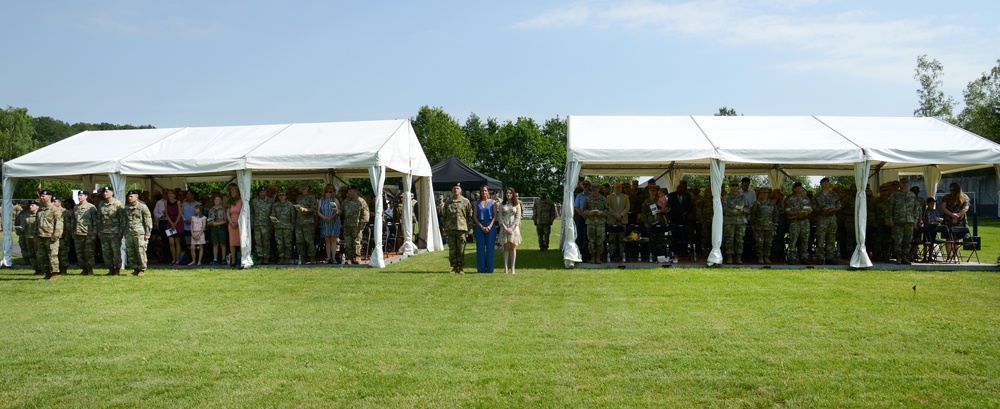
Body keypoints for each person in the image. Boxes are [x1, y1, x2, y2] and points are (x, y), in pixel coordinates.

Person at [438, 183, 474, 273]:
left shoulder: (466, 201)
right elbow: (444, 216)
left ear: (460, 190)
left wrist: (468, 229)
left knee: (461, 249)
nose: (456, 190)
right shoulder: (447, 202)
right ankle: (454, 267)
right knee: (452, 249)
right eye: (454, 188)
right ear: (452, 190)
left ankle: (461, 267)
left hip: (462, 229)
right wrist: (445, 229)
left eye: (457, 188)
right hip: (450, 229)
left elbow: (469, 216)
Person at [888, 179, 921, 265]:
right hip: (898, 221)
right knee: (898, 240)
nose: (904, 184)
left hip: (909, 221)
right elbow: (889, 208)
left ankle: (904, 257)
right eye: (902, 183)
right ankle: (898, 257)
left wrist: (915, 220)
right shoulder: (895, 195)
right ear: (900, 184)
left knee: (907, 240)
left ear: (908, 184)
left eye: (906, 183)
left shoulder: (912, 195)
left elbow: (916, 209)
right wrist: (890, 220)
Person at [34, 190, 63, 280]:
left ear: (49, 197)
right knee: (42, 256)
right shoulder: (40, 209)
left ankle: (54, 274)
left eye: (43, 196)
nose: (41, 198)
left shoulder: (55, 209)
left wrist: (56, 235)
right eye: (41, 196)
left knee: (52, 256)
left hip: (50, 237)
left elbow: (59, 223)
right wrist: (35, 234)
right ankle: (46, 273)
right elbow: (37, 223)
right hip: (40, 236)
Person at [96, 186, 125, 275]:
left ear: (112, 193)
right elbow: (99, 219)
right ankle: (110, 269)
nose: (105, 193)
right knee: (106, 252)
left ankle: (117, 269)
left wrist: (121, 232)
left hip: (115, 232)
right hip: (104, 232)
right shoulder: (101, 204)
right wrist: (99, 231)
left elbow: (123, 219)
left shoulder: (118, 204)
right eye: (104, 192)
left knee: (116, 252)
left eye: (107, 192)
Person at [123, 190, 153, 275]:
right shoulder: (127, 208)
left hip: (140, 233)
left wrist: (148, 233)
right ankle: (135, 269)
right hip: (129, 233)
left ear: (137, 197)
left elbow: (148, 220)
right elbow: (125, 221)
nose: (129, 198)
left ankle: (142, 269)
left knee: (140, 251)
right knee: (131, 252)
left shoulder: (142, 207)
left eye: (131, 196)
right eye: (128, 196)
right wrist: (124, 232)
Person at [814, 177, 841, 265]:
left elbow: (839, 206)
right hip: (822, 218)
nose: (826, 184)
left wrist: (834, 209)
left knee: (831, 238)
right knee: (820, 238)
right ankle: (820, 257)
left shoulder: (834, 195)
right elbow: (814, 207)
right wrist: (821, 210)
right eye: (824, 182)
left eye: (827, 182)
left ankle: (830, 257)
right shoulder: (817, 196)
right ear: (821, 184)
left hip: (832, 218)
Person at [940, 182, 970, 261]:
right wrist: (951, 215)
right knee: (948, 239)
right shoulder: (946, 197)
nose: (951, 192)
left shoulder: (964, 197)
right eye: (950, 190)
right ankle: (949, 256)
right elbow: (943, 207)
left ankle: (955, 255)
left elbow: (966, 208)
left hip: (960, 220)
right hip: (948, 220)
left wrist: (958, 215)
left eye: (953, 190)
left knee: (957, 239)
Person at [341, 185, 370, 265]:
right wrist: (337, 211)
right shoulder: (346, 201)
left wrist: (363, 223)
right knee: (348, 242)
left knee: (356, 242)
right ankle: (349, 258)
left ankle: (357, 257)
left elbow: (365, 213)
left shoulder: (361, 201)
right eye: (348, 191)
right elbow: (342, 210)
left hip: (357, 225)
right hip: (347, 225)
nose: (348, 192)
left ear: (355, 191)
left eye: (350, 191)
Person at [784, 182, 812, 265]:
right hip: (795, 222)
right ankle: (792, 257)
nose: (799, 189)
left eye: (800, 188)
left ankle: (804, 257)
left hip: (805, 222)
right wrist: (797, 213)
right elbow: (787, 211)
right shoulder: (791, 199)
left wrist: (808, 212)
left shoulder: (806, 198)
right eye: (797, 188)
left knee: (805, 240)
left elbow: (810, 209)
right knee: (793, 241)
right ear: (794, 189)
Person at [722, 180, 748, 264]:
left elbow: (748, 208)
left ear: (739, 186)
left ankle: (738, 257)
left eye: (736, 185)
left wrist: (743, 211)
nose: (734, 187)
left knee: (739, 240)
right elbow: (724, 208)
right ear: (730, 187)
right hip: (730, 222)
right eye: (732, 185)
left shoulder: (743, 197)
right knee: (729, 240)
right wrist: (735, 212)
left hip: (741, 222)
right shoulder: (726, 197)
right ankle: (729, 257)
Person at [582, 182, 609, 264]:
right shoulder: (587, 199)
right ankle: (592, 257)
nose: (595, 192)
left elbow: (607, 210)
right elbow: (584, 210)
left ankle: (598, 257)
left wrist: (601, 213)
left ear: (598, 190)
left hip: (600, 223)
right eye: (593, 191)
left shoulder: (603, 199)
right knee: (591, 241)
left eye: (596, 191)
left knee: (600, 241)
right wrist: (589, 213)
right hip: (591, 223)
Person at [750, 187, 778, 264]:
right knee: (759, 243)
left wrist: (775, 224)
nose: (765, 195)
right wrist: (752, 224)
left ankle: (767, 257)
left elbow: (775, 214)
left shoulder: (772, 203)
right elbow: (753, 214)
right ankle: (760, 257)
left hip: (769, 226)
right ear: (760, 194)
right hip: (759, 226)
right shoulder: (757, 203)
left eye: (766, 193)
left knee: (768, 243)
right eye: (763, 193)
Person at [73, 190, 98, 275]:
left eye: (81, 195)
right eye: (79, 195)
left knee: (89, 253)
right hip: (78, 233)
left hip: (88, 233)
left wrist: (94, 234)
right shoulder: (76, 207)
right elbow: (74, 220)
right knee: (80, 253)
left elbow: (95, 221)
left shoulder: (91, 207)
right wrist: (73, 232)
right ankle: (83, 268)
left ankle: (90, 269)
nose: (80, 197)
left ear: (86, 196)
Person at [473, 185, 497, 273]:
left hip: (490, 226)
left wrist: (489, 226)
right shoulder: (476, 203)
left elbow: (495, 216)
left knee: (490, 248)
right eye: (482, 191)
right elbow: (475, 217)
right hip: (480, 227)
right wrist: (481, 226)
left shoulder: (493, 202)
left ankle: (490, 269)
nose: (484, 192)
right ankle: (481, 269)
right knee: (480, 249)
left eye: (485, 191)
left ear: (488, 192)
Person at [499, 188, 522, 274]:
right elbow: (500, 217)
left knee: (512, 247)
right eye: (507, 193)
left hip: (514, 228)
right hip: (504, 227)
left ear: (513, 194)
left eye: (510, 193)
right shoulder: (502, 204)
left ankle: (512, 268)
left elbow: (518, 217)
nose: (508, 194)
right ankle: (505, 267)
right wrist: (505, 227)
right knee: (505, 247)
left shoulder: (517, 204)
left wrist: (512, 228)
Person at [294, 184, 318, 263]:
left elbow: (314, 209)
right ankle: (302, 257)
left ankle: (311, 257)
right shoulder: (299, 198)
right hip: (299, 222)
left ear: (307, 189)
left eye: (304, 188)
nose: (303, 190)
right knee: (299, 241)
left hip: (308, 223)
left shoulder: (311, 198)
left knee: (309, 241)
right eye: (302, 189)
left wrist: (305, 210)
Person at [606, 182, 630, 262]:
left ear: (621, 188)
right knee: (612, 238)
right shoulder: (609, 197)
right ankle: (611, 255)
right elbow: (607, 207)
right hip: (612, 220)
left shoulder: (626, 197)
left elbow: (627, 207)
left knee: (622, 238)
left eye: (619, 187)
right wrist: (616, 214)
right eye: (616, 187)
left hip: (622, 220)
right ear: (614, 188)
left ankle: (622, 255)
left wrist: (621, 214)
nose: (618, 188)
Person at [270, 190, 296, 264]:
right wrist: (274, 222)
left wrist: (292, 226)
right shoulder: (275, 205)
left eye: (283, 195)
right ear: (278, 197)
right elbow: (273, 215)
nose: (281, 197)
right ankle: (281, 257)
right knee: (280, 244)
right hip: (278, 227)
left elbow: (293, 216)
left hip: (287, 227)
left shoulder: (290, 205)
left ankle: (287, 258)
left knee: (288, 243)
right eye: (280, 195)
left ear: (286, 196)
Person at [318, 187, 342, 264]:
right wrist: (324, 217)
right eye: (327, 192)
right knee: (327, 240)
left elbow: (338, 211)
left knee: (333, 240)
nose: (328, 193)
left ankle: (334, 258)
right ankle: (328, 257)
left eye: (330, 192)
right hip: (325, 221)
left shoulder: (335, 200)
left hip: (334, 221)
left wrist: (332, 217)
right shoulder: (321, 200)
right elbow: (318, 211)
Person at [251, 187, 273, 265]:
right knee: (258, 241)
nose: (262, 194)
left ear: (266, 192)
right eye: (261, 192)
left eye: (263, 192)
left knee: (266, 241)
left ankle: (266, 257)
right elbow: (252, 213)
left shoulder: (270, 201)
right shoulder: (254, 201)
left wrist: (272, 224)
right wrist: (252, 223)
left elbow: (273, 213)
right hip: (257, 224)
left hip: (267, 224)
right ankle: (260, 257)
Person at [919, 197, 944, 262]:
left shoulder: (935, 211)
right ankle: (924, 257)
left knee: (932, 242)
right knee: (926, 243)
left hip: (934, 229)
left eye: (933, 204)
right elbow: (923, 220)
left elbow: (938, 218)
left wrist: (937, 222)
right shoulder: (925, 211)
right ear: (927, 204)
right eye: (931, 203)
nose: (932, 205)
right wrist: (929, 223)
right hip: (927, 228)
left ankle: (930, 256)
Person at [53, 196, 73, 275]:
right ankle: (55, 270)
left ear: (59, 203)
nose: (53, 203)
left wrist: (67, 237)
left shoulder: (65, 212)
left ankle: (64, 270)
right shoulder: (52, 211)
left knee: (63, 254)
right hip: (54, 236)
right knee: (55, 254)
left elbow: (68, 226)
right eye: (52, 201)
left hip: (63, 236)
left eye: (55, 201)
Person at [573, 179, 591, 261]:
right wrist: (583, 215)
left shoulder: (592, 195)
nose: (585, 186)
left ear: (589, 186)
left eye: (587, 184)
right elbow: (576, 207)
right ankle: (579, 254)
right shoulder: (579, 196)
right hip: (581, 217)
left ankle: (588, 255)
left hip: (591, 218)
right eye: (584, 184)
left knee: (589, 237)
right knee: (580, 236)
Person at [164, 189, 183, 265]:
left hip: (178, 222)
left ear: (175, 195)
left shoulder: (178, 202)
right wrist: (171, 223)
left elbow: (179, 214)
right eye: (169, 193)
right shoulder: (166, 203)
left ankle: (177, 259)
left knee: (177, 241)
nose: (170, 195)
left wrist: (175, 224)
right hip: (170, 222)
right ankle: (173, 259)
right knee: (171, 242)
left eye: (172, 194)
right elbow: (167, 214)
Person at [208, 195, 228, 265]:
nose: (216, 201)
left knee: (223, 243)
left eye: (218, 199)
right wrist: (211, 223)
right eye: (215, 199)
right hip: (213, 228)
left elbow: (226, 221)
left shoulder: (223, 209)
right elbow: (209, 220)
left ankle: (223, 259)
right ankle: (215, 259)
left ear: (221, 201)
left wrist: (217, 223)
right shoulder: (211, 210)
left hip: (221, 228)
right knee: (215, 244)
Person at [695, 185, 714, 256]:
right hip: (705, 220)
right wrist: (700, 218)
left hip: (713, 220)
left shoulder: (715, 199)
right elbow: (698, 210)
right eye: (708, 191)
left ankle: (712, 249)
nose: (710, 193)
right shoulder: (702, 200)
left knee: (713, 236)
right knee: (705, 235)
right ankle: (705, 249)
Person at [227, 184, 243, 266]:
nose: (232, 193)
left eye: (234, 191)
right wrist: (231, 222)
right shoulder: (230, 201)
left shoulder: (241, 201)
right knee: (232, 243)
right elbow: (228, 214)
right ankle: (233, 261)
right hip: (231, 224)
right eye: (231, 192)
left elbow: (243, 212)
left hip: (240, 224)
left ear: (238, 193)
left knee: (240, 242)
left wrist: (238, 222)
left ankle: (241, 259)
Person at [22, 201, 39, 272]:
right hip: (28, 237)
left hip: (37, 237)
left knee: (38, 254)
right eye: (30, 205)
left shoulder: (39, 214)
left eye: (32, 205)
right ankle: (36, 269)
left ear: (37, 206)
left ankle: (42, 268)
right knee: (31, 254)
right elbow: (24, 225)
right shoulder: (26, 215)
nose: (30, 207)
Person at [15, 201, 33, 266]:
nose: (23, 207)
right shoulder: (21, 213)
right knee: (23, 246)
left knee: (31, 247)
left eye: (25, 206)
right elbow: (17, 222)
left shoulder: (32, 212)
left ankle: (32, 260)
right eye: (22, 206)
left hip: (30, 232)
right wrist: (17, 230)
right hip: (22, 233)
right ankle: (26, 260)